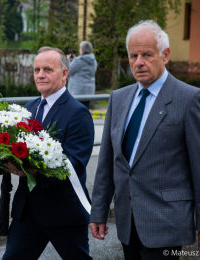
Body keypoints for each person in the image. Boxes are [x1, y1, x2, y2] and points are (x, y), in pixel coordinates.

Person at [89, 20, 200, 260]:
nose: (138, 62)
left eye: (147, 54)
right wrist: (98, 212)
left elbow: (198, 167)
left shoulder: (189, 99)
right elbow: (108, 163)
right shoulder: (118, 99)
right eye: (133, 55)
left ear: (165, 55)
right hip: (128, 223)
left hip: (168, 223)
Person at [0, 47, 95, 260]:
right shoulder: (27, 109)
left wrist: (30, 172)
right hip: (27, 211)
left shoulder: (78, 113)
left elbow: (74, 164)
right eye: (37, 69)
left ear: (65, 74)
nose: (40, 75)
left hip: (63, 212)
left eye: (48, 69)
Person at [67, 41, 97, 109]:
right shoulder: (93, 61)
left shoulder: (78, 60)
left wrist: (68, 60)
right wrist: (74, 60)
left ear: (82, 49)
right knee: (84, 111)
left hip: (77, 92)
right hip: (89, 92)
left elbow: (68, 71)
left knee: (75, 113)